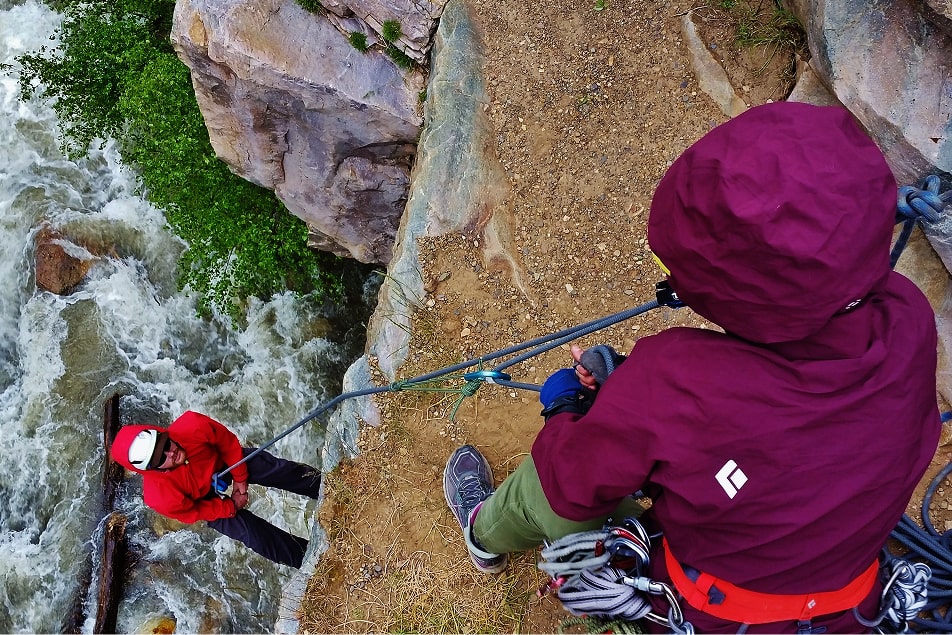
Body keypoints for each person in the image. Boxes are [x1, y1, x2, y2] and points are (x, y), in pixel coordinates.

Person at [443, 101, 941, 633]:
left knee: (545, 493)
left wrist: (564, 405)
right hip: (846, 604)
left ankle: (484, 533)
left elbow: (572, 477)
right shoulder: (908, 319)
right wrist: (635, 397)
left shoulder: (676, 378)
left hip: (714, 613)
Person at [111, 410, 321, 568]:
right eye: (160, 459)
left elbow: (227, 442)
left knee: (275, 469)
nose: (170, 454)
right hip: (203, 500)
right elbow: (194, 511)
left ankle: (323, 484)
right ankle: (312, 559)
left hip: (224, 460)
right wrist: (229, 507)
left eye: (166, 445)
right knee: (254, 536)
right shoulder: (159, 496)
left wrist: (240, 478)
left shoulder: (191, 425)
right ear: (151, 469)